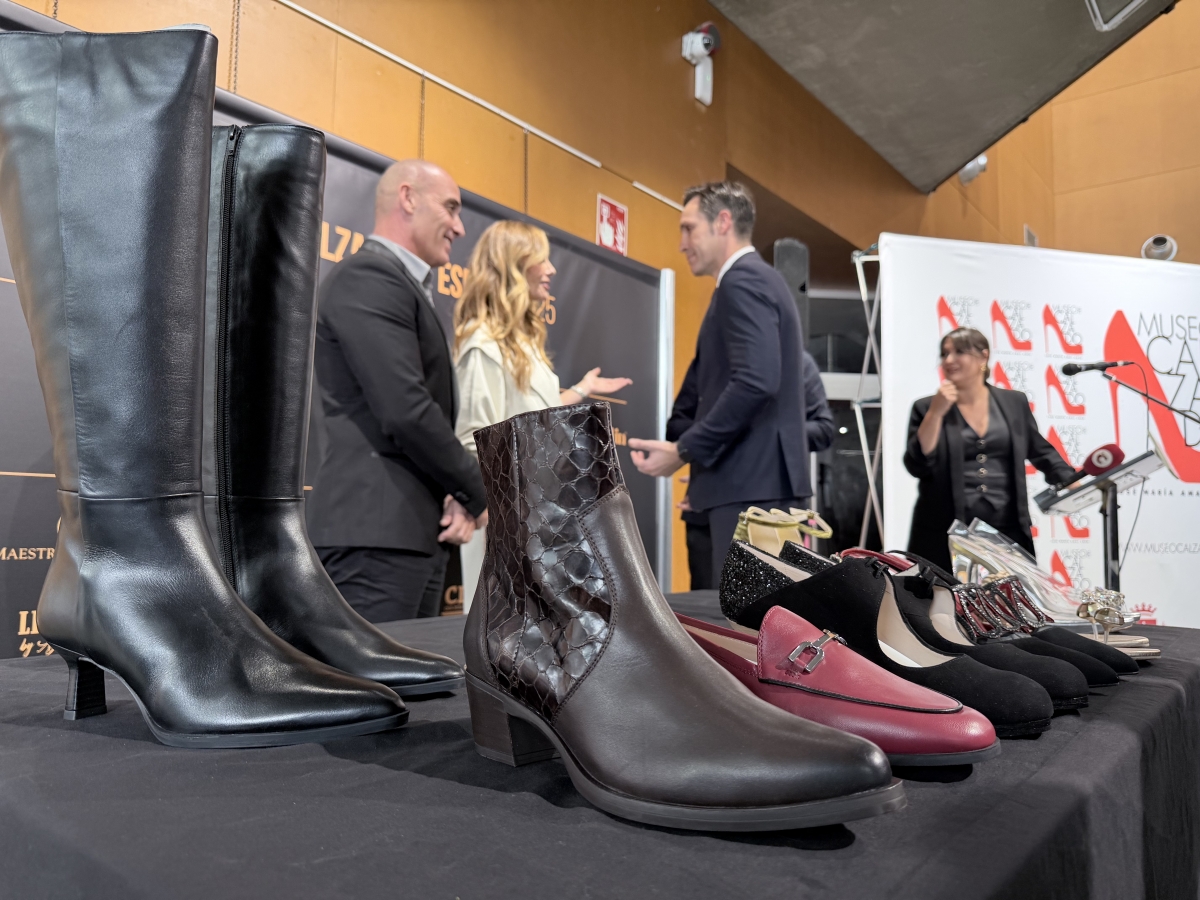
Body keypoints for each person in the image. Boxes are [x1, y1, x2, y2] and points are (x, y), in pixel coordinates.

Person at [307, 160, 487, 622]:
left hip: (411, 535)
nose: (460, 227)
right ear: (408, 198)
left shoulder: (400, 284)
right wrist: (478, 491)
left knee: (411, 693)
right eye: (450, 208)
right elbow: (405, 410)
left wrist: (454, 494)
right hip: (375, 539)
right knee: (375, 692)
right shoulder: (370, 278)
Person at [629, 181, 810, 586]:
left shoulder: (742, 281)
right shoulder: (760, 279)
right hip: (758, 490)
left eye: (689, 228)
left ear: (723, 222)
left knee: (747, 634)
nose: (682, 243)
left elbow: (756, 381)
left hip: (750, 493)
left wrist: (685, 449)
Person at [453, 220, 631, 607]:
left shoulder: (522, 344)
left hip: (542, 521)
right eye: (541, 259)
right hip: (507, 528)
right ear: (513, 265)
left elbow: (532, 416)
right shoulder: (483, 343)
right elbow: (474, 440)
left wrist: (581, 390)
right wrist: (499, 521)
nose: (551, 270)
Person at [904, 326, 1077, 571]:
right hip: (945, 528)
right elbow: (917, 463)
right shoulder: (926, 407)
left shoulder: (1013, 402)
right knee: (942, 603)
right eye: (944, 354)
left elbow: (1040, 450)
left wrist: (1071, 480)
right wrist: (936, 412)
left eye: (959, 352)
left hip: (1005, 526)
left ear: (983, 356)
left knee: (1008, 603)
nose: (949, 360)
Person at [674, 349, 833, 589]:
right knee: (707, 605)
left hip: (775, 507)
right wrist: (711, 451)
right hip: (708, 505)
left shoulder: (798, 362)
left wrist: (763, 430)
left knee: (777, 602)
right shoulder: (709, 361)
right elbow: (676, 425)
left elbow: (823, 430)